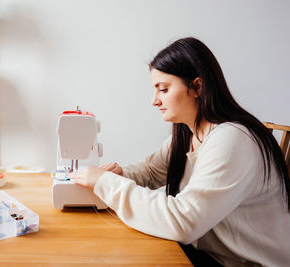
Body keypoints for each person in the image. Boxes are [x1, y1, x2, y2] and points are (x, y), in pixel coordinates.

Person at [68, 37, 290, 267]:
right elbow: (152, 171)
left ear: (197, 87)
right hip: (207, 253)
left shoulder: (232, 140)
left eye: (163, 89)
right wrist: (120, 174)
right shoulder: (189, 134)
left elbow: (183, 222)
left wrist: (106, 183)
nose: (154, 101)